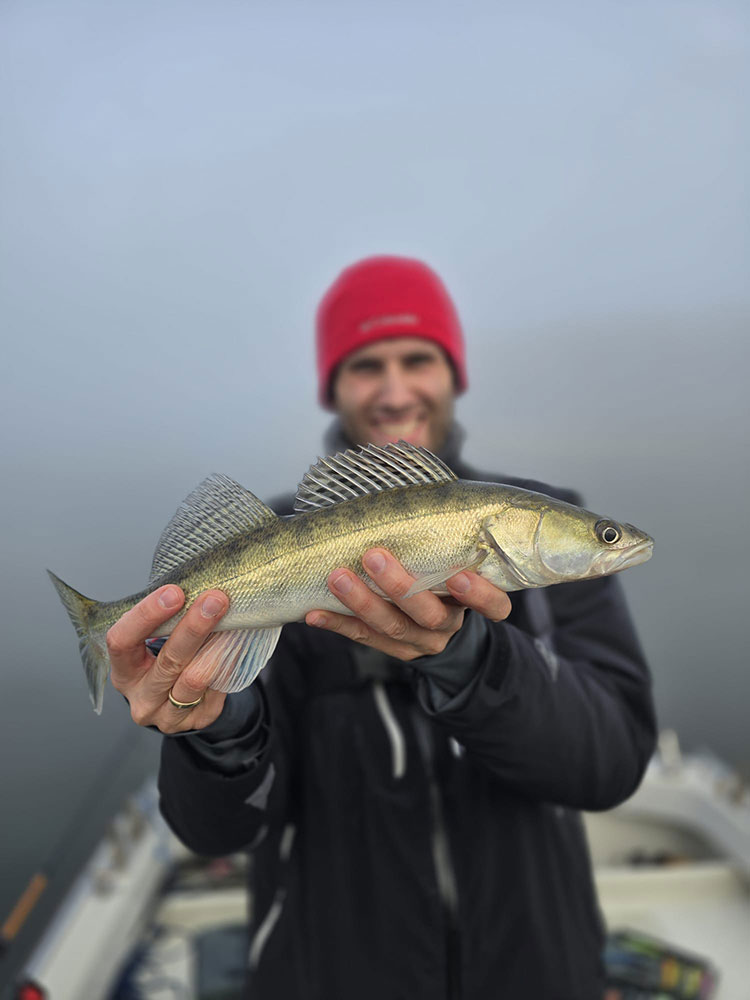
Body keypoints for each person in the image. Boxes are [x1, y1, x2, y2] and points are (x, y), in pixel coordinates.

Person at [108, 256, 657, 999]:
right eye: (366, 366)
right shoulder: (272, 535)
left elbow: (614, 762)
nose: (396, 390)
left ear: (453, 374)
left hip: (536, 970)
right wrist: (218, 725)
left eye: (418, 359)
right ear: (333, 387)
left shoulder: (546, 527)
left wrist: (476, 663)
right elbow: (217, 834)